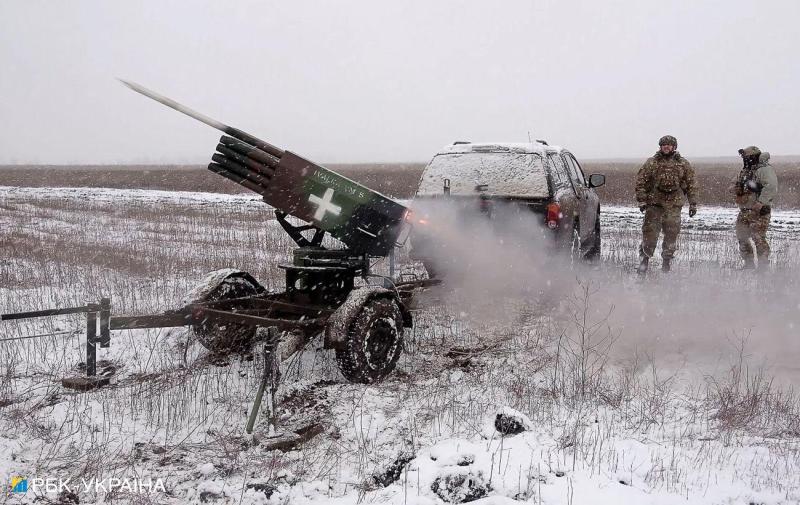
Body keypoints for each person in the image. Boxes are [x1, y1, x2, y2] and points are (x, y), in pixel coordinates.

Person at [634, 135, 698, 274]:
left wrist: (693, 203)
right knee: (649, 235)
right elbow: (641, 182)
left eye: (669, 145)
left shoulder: (683, 164)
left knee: (671, 234)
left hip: (674, 205)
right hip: (654, 205)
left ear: (674, 147)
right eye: (664, 145)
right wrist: (642, 200)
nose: (666, 147)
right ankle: (644, 261)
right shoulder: (652, 163)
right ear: (660, 147)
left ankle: (666, 262)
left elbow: (692, 184)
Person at [733, 146, 777, 271]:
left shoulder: (764, 169)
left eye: (747, 157)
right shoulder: (745, 170)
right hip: (745, 210)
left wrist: (761, 202)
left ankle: (763, 266)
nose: (745, 160)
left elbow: (771, 187)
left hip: (759, 211)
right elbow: (733, 185)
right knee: (742, 237)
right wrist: (740, 186)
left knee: (758, 237)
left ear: (753, 157)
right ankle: (748, 264)